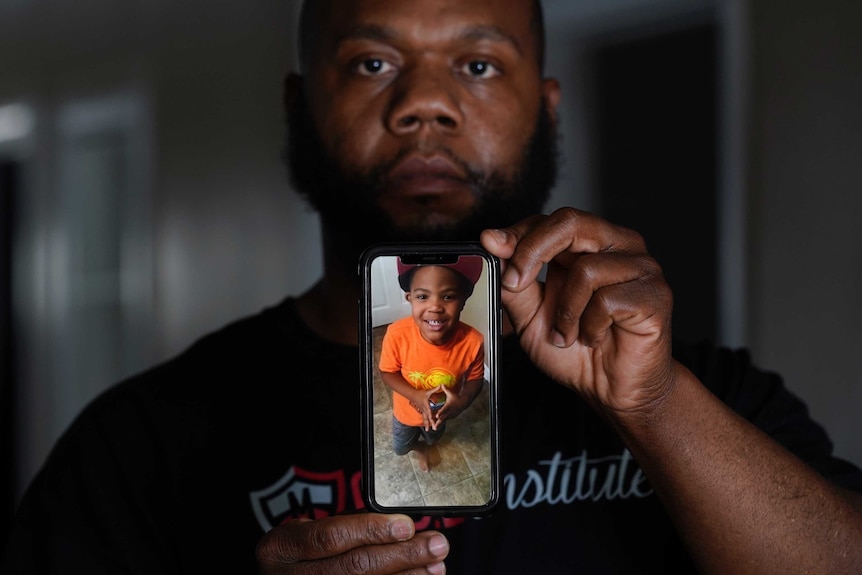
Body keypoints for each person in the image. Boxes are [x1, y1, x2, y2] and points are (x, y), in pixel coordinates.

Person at [4, 0, 862, 572]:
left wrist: (656, 408)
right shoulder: (139, 444)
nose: (425, 105)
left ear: (548, 107)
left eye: (479, 66)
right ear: (299, 107)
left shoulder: (699, 395)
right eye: (374, 63)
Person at [379, 257, 486, 471]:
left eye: (448, 296)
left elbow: (475, 378)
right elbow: (387, 372)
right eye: (422, 296)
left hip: (441, 412)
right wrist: (415, 396)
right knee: (401, 447)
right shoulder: (397, 334)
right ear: (410, 299)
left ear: (463, 300)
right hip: (406, 413)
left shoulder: (474, 341)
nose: (435, 306)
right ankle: (417, 448)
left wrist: (463, 401)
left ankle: (427, 447)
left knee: (433, 437)